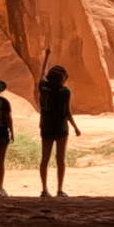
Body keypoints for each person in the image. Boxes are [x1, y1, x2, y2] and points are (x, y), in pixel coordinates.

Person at [37, 48, 81, 198]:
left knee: (45, 159)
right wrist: (76, 127)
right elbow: (67, 113)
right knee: (60, 159)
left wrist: (47, 56)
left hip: (46, 127)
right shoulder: (65, 92)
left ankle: (44, 189)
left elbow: (42, 73)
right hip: (61, 128)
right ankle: (60, 190)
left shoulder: (43, 87)